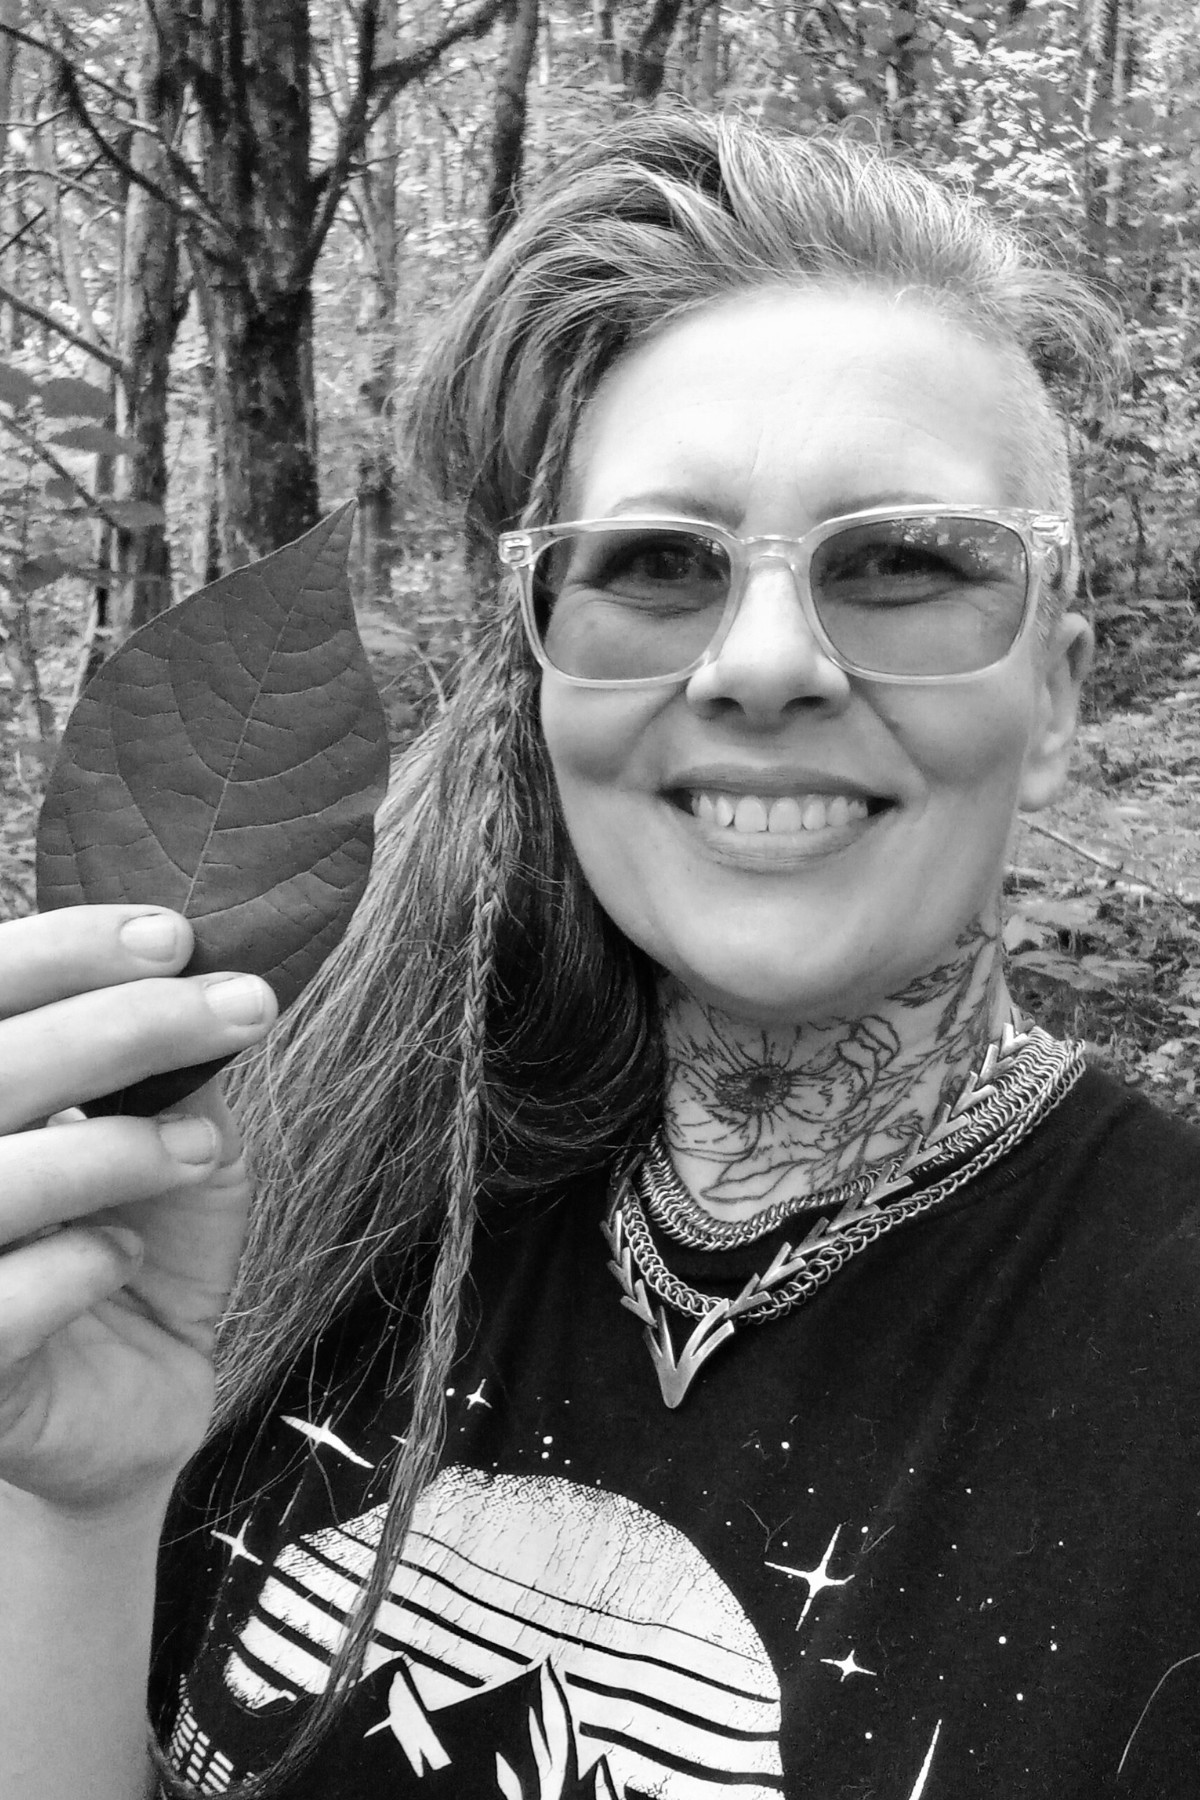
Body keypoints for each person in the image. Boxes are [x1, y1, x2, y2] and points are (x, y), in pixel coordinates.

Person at [2, 110, 1198, 1800]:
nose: (765, 662)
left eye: (907, 562)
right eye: (653, 565)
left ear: (1059, 694)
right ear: (546, 675)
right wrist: (82, 1509)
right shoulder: (288, 1216)